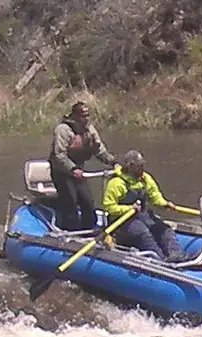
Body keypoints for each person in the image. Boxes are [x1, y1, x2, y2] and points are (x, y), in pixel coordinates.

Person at [101, 151, 182, 261]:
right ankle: (160, 259)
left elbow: (154, 195)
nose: (142, 168)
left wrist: (164, 204)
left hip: (142, 216)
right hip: (122, 221)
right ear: (130, 166)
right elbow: (108, 207)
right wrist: (129, 208)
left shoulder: (145, 178)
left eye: (142, 165)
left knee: (165, 229)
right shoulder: (116, 183)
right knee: (142, 232)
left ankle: (176, 255)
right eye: (139, 166)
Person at [48, 100, 116, 231]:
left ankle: (88, 230)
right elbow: (59, 155)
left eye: (88, 115)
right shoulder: (63, 130)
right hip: (61, 171)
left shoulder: (89, 130)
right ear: (74, 116)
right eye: (83, 116)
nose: (86, 119)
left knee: (88, 202)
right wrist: (72, 168)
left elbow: (99, 150)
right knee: (71, 201)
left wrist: (113, 162)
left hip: (79, 171)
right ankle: (70, 231)